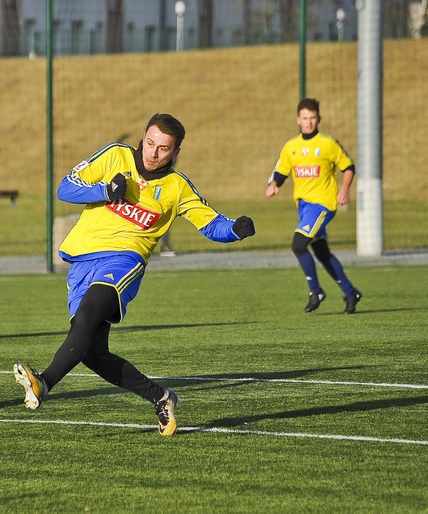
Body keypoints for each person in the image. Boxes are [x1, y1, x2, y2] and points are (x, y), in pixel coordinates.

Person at [13, 113, 256, 436]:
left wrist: (235, 230)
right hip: (84, 261)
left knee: (87, 317)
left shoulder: (177, 187)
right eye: (150, 143)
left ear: (175, 152)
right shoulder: (115, 155)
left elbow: (211, 223)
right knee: (91, 352)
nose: (153, 153)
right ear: (143, 137)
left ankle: (44, 383)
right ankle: (161, 397)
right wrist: (105, 190)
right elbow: (65, 189)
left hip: (124, 260)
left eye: (163, 149)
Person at [265, 98, 362, 314]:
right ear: (298, 120)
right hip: (304, 207)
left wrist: (344, 190)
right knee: (321, 251)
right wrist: (274, 185)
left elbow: (348, 167)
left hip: (323, 204)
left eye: (312, 118)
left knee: (298, 245)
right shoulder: (291, 147)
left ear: (319, 119)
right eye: (305, 118)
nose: (308, 122)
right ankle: (350, 292)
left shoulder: (328, 144)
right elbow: (281, 170)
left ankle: (315, 291)